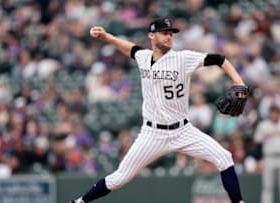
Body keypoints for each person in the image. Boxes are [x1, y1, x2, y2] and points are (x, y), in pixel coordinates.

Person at [70, 17, 246, 203]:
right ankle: (80, 202)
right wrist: (108, 37)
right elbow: (131, 48)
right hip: (152, 133)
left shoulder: (182, 58)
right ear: (151, 36)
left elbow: (219, 59)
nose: (169, 37)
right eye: (164, 33)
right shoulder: (143, 57)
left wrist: (238, 81)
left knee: (224, 157)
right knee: (119, 179)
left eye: (171, 34)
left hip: (182, 130)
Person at [254, 105, 280, 203]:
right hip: (268, 158)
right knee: (267, 187)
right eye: (272, 112)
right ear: (269, 113)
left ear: (279, 113)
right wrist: (260, 159)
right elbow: (258, 144)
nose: (274, 114)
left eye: (276, 112)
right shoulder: (263, 125)